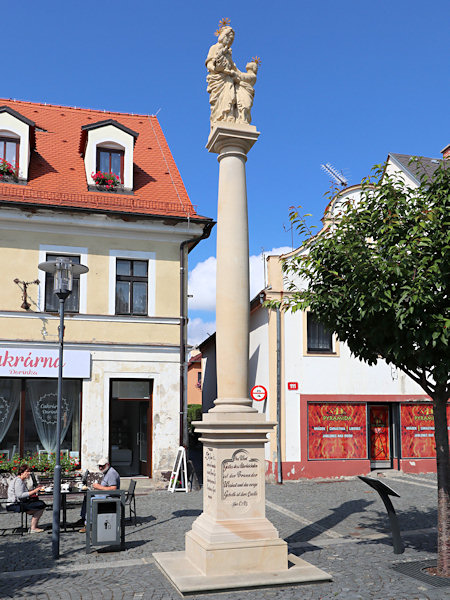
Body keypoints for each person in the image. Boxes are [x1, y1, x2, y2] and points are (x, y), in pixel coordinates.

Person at [206, 25, 239, 123]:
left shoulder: (229, 52)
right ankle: (219, 117)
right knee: (219, 102)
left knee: (230, 96)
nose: (229, 41)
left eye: (231, 39)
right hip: (218, 78)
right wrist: (217, 69)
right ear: (223, 36)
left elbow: (234, 67)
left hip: (228, 78)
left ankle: (229, 116)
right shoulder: (214, 47)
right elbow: (209, 64)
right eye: (228, 38)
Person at [78, 457, 120, 533]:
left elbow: (113, 489)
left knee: (91, 500)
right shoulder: (107, 472)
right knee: (87, 497)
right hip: (106, 495)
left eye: (102, 466)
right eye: (99, 466)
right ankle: (83, 518)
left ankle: (89, 524)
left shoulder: (111, 473)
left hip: (111, 497)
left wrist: (99, 487)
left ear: (107, 465)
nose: (100, 468)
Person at [7, 464, 47, 533]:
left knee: (39, 503)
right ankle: (33, 528)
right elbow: (20, 495)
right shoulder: (18, 481)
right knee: (41, 505)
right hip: (14, 504)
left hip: (19, 503)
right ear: (22, 472)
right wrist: (34, 491)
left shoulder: (20, 480)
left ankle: (33, 525)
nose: (29, 473)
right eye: (27, 471)